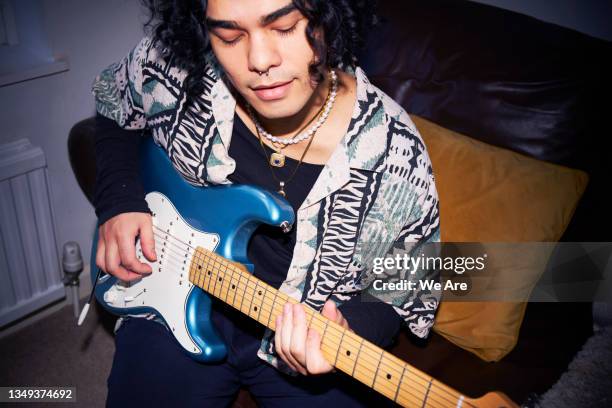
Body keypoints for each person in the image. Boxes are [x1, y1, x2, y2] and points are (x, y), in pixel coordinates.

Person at [92, 0, 441, 406]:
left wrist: (350, 327)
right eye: (228, 35)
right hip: (168, 295)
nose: (258, 60)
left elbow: (407, 285)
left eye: (285, 27)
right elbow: (112, 100)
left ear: (328, 16)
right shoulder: (177, 66)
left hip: (298, 341)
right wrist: (118, 201)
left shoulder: (394, 151)